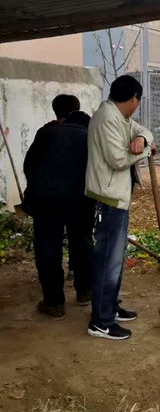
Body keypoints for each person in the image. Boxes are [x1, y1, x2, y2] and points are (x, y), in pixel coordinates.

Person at [86, 75, 154, 340]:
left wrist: (142, 139)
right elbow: (117, 159)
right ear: (133, 98)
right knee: (108, 262)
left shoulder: (120, 118)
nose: (137, 106)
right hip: (108, 200)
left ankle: (110, 308)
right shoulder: (106, 119)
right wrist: (145, 151)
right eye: (138, 100)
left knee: (114, 260)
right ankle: (100, 322)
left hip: (117, 198)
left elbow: (144, 130)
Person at [24, 111, 94, 320]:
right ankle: (84, 292)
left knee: (48, 247)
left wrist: (35, 188)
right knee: (82, 241)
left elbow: (29, 165)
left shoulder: (47, 133)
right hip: (81, 197)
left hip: (46, 198)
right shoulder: (89, 137)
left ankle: (54, 304)